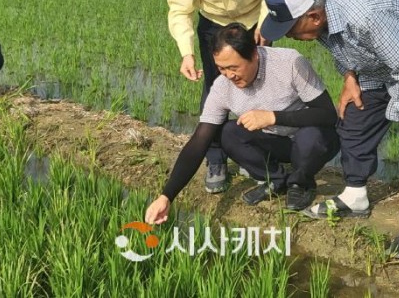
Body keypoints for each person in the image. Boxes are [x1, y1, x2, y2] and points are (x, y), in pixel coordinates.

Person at [260, 0, 399, 258]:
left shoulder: (365, 15)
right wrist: (349, 75)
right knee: (354, 119)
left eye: (291, 29)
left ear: (314, 16)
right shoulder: (319, 10)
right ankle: (355, 195)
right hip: (379, 59)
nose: (290, 36)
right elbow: (342, 47)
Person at [144, 23, 339, 225]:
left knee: (312, 137)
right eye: (221, 68)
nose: (229, 75)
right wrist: (166, 196)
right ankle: (275, 179)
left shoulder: (289, 62)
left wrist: (273, 117)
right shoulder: (222, 87)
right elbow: (198, 142)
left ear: (254, 55)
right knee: (228, 132)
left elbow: (327, 115)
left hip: (310, 139)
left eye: (233, 67)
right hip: (276, 143)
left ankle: (301, 183)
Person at [166, 0, 284, 193]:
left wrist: (266, 27)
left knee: (259, 86)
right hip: (213, 22)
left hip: (255, 19)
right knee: (215, 89)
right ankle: (215, 158)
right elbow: (179, 8)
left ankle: (253, 152)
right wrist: (186, 52)